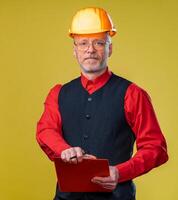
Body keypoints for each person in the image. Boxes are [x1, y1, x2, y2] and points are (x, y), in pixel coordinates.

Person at [36, 7, 168, 200]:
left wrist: (119, 172)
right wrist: (63, 149)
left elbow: (155, 147)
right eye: (83, 43)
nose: (90, 49)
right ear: (75, 50)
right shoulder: (58, 93)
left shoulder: (133, 94)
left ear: (110, 48)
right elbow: (45, 130)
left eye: (99, 42)